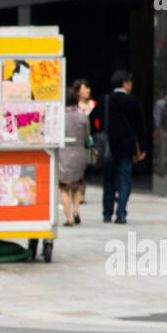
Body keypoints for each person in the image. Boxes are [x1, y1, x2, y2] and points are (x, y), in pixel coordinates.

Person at [102, 69, 146, 223]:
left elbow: (95, 121)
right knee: (125, 179)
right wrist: (143, 147)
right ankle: (121, 213)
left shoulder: (105, 100)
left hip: (108, 146)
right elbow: (140, 126)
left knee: (108, 180)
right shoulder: (133, 101)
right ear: (125, 83)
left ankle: (107, 213)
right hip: (127, 146)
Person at [59, 82, 92, 225]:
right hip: (79, 152)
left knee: (64, 187)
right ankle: (76, 210)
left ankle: (68, 218)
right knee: (77, 185)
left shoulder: (60, 117)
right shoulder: (82, 117)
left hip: (64, 152)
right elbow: (87, 137)